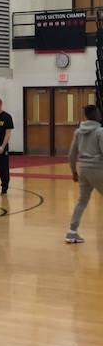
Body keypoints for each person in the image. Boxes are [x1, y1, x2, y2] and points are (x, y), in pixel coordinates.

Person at [65, 104, 103, 244]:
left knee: (82, 201)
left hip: (83, 170)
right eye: (98, 112)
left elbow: (71, 154)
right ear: (95, 115)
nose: (99, 115)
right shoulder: (100, 132)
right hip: (98, 169)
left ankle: (72, 232)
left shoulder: (78, 132)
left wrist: (74, 171)